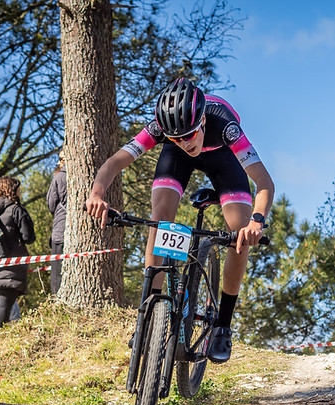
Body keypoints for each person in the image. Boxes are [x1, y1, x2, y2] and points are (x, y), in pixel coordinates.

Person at [86, 78, 274, 363]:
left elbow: (264, 182)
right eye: (177, 138)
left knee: (238, 234)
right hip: (175, 162)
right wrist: (97, 193)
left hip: (224, 158)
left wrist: (256, 222)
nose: (186, 143)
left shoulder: (226, 126)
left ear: (201, 123)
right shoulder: (165, 131)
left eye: (190, 135)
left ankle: (222, 324)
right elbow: (115, 162)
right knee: (160, 219)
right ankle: (149, 314)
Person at [0, 176, 35, 333]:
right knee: (4, 307)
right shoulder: (16, 209)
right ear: (12, 190)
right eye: (18, 189)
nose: (20, 192)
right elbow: (28, 237)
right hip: (12, 265)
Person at [47, 148, 67, 294]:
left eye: (61, 158)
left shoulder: (59, 177)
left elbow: (51, 203)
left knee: (57, 273)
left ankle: (56, 299)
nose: (59, 162)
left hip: (61, 231)